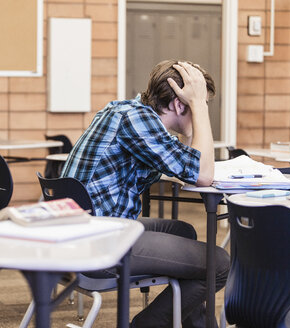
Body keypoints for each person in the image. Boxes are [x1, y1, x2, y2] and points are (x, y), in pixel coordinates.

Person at [61, 60, 230, 328]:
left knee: (183, 232)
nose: (202, 111)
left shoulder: (127, 111)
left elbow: (186, 166)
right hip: (100, 244)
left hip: (83, 232)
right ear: (179, 104)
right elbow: (203, 174)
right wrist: (198, 109)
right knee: (218, 263)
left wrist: (189, 129)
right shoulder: (137, 121)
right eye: (202, 104)